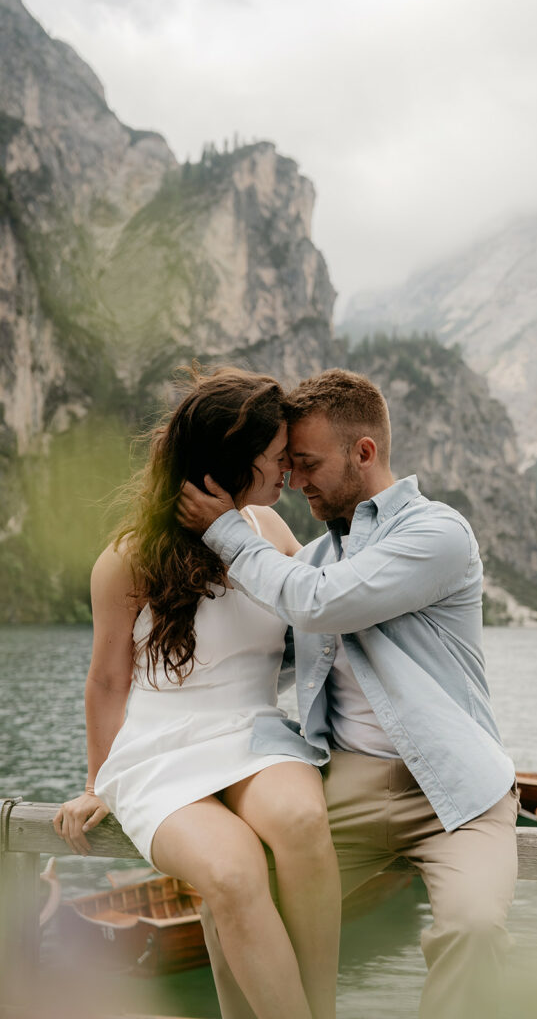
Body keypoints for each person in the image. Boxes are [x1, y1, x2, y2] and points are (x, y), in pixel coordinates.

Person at [177, 367, 519, 1019]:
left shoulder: (437, 533)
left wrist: (227, 530)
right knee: (235, 902)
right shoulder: (311, 561)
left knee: (474, 929)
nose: (295, 481)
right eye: (290, 464)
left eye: (307, 463)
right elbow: (261, 659)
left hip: (456, 791)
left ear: (363, 452)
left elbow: (321, 604)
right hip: (346, 783)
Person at [53, 366, 341, 1019]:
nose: (288, 469)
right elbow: (107, 681)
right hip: (159, 752)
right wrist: (96, 784)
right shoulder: (128, 557)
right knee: (234, 871)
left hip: (256, 734)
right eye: (276, 456)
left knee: (301, 822)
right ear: (233, 460)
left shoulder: (269, 530)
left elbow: (321, 610)